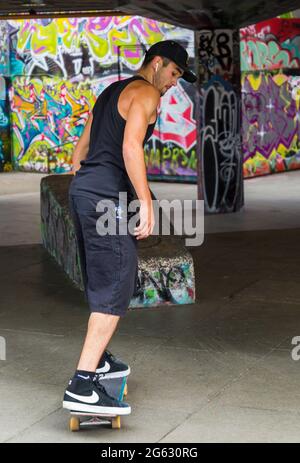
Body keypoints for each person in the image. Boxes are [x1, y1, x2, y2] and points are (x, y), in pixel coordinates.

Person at [62, 40, 197, 415]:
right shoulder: (146, 93)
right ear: (157, 63)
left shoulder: (112, 91)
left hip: (85, 191)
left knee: (101, 279)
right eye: (173, 73)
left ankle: (99, 358)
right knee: (116, 286)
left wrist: (84, 172)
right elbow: (131, 148)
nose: (173, 83)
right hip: (106, 200)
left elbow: (82, 147)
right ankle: (82, 385)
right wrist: (146, 203)